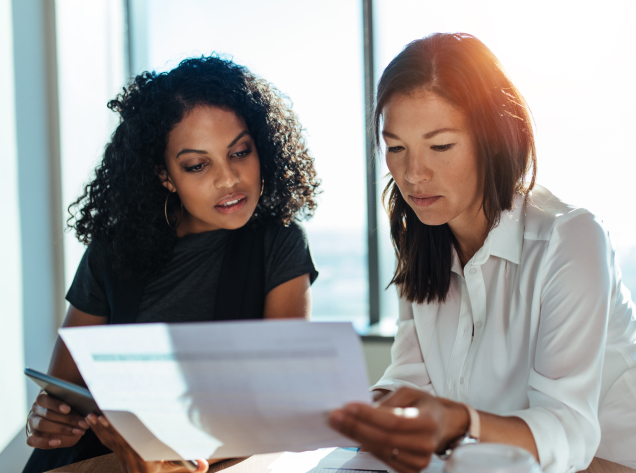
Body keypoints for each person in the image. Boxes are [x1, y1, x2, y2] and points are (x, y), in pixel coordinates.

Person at [329, 33, 636, 473]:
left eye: (440, 146)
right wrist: (364, 410)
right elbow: (413, 377)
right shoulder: (422, 238)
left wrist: (460, 422)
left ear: (493, 138)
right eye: (396, 148)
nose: (413, 174)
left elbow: (569, 433)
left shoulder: (571, 238)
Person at [24, 55, 320, 473]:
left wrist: (173, 458)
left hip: (203, 461)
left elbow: (276, 403)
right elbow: (64, 391)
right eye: (197, 165)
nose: (228, 179)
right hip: (93, 460)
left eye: (239, 151)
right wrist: (46, 417)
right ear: (166, 175)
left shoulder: (279, 242)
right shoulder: (113, 249)